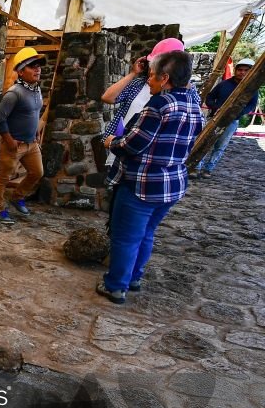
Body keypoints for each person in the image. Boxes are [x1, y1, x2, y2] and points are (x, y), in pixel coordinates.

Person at [97, 50, 204, 304]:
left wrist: (112, 142)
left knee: (125, 237)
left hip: (142, 184)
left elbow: (132, 146)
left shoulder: (158, 105)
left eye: (153, 76)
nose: (149, 80)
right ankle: (134, 278)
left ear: (165, 78)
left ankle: (116, 286)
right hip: (172, 185)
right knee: (146, 233)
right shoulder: (193, 103)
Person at [100, 38, 185, 170]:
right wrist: (133, 73)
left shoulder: (180, 97)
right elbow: (108, 97)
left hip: (148, 160)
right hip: (122, 149)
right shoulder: (139, 84)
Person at [0, 47, 46, 225]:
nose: (37, 69)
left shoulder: (36, 90)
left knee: (37, 172)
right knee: (4, 178)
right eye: (32, 66)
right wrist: (9, 141)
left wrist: (36, 131)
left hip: (31, 144)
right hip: (14, 144)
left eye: (38, 65)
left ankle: (17, 197)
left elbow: (35, 112)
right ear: (21, 71)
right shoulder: (14, 93)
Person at [195, 57, 259, 178]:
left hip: (232, 121)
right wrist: (216, 107)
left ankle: (208, 169)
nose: (242, 72)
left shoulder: (252, 89)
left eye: (246, 70)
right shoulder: (223, 84)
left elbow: (251, 105)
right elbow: (209, 98)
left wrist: (237, 113)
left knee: (220, 146)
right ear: (236, 70)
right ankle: (197, 166)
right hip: (215, 118)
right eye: (240, 70)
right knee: (204, 142)